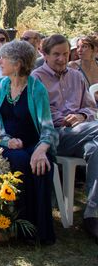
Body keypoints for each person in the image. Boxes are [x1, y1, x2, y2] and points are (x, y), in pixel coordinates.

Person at [0, 40, 57, 244]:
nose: (0, 61)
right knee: (18, 159)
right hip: (6, 145)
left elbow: (47, 127)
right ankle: (15, 227)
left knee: (42, 165)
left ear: (17, 64)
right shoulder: (0, 86)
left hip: (35, 144)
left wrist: (42, 149)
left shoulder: (37, 89)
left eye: (4, 58)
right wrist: (6, 141)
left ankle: (38, 231)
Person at [32, 34, 98, 242]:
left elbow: (91, 108)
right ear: (44, 54)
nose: (61, 59)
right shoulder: (36, 78)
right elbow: (37, 114)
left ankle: (91, 214)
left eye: (65, 54)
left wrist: (80, 115)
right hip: (54, 135)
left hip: (84, 131)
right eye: (56, 55)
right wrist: (63, 120)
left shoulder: (76, 76)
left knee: (96, 149)